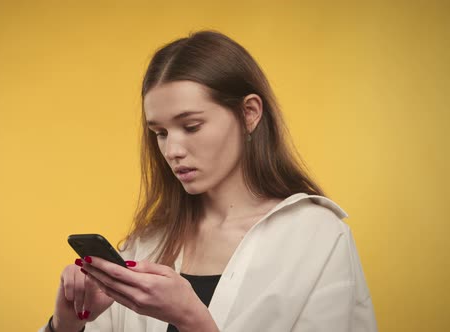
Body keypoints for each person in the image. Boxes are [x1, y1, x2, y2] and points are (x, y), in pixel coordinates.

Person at [39, 30, 378, 332]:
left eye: (191, 126)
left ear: (249, 113)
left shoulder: (317, 237)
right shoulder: (146, 245)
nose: (172, 150)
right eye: (160, 133)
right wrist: (65, 327)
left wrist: (192, 320)